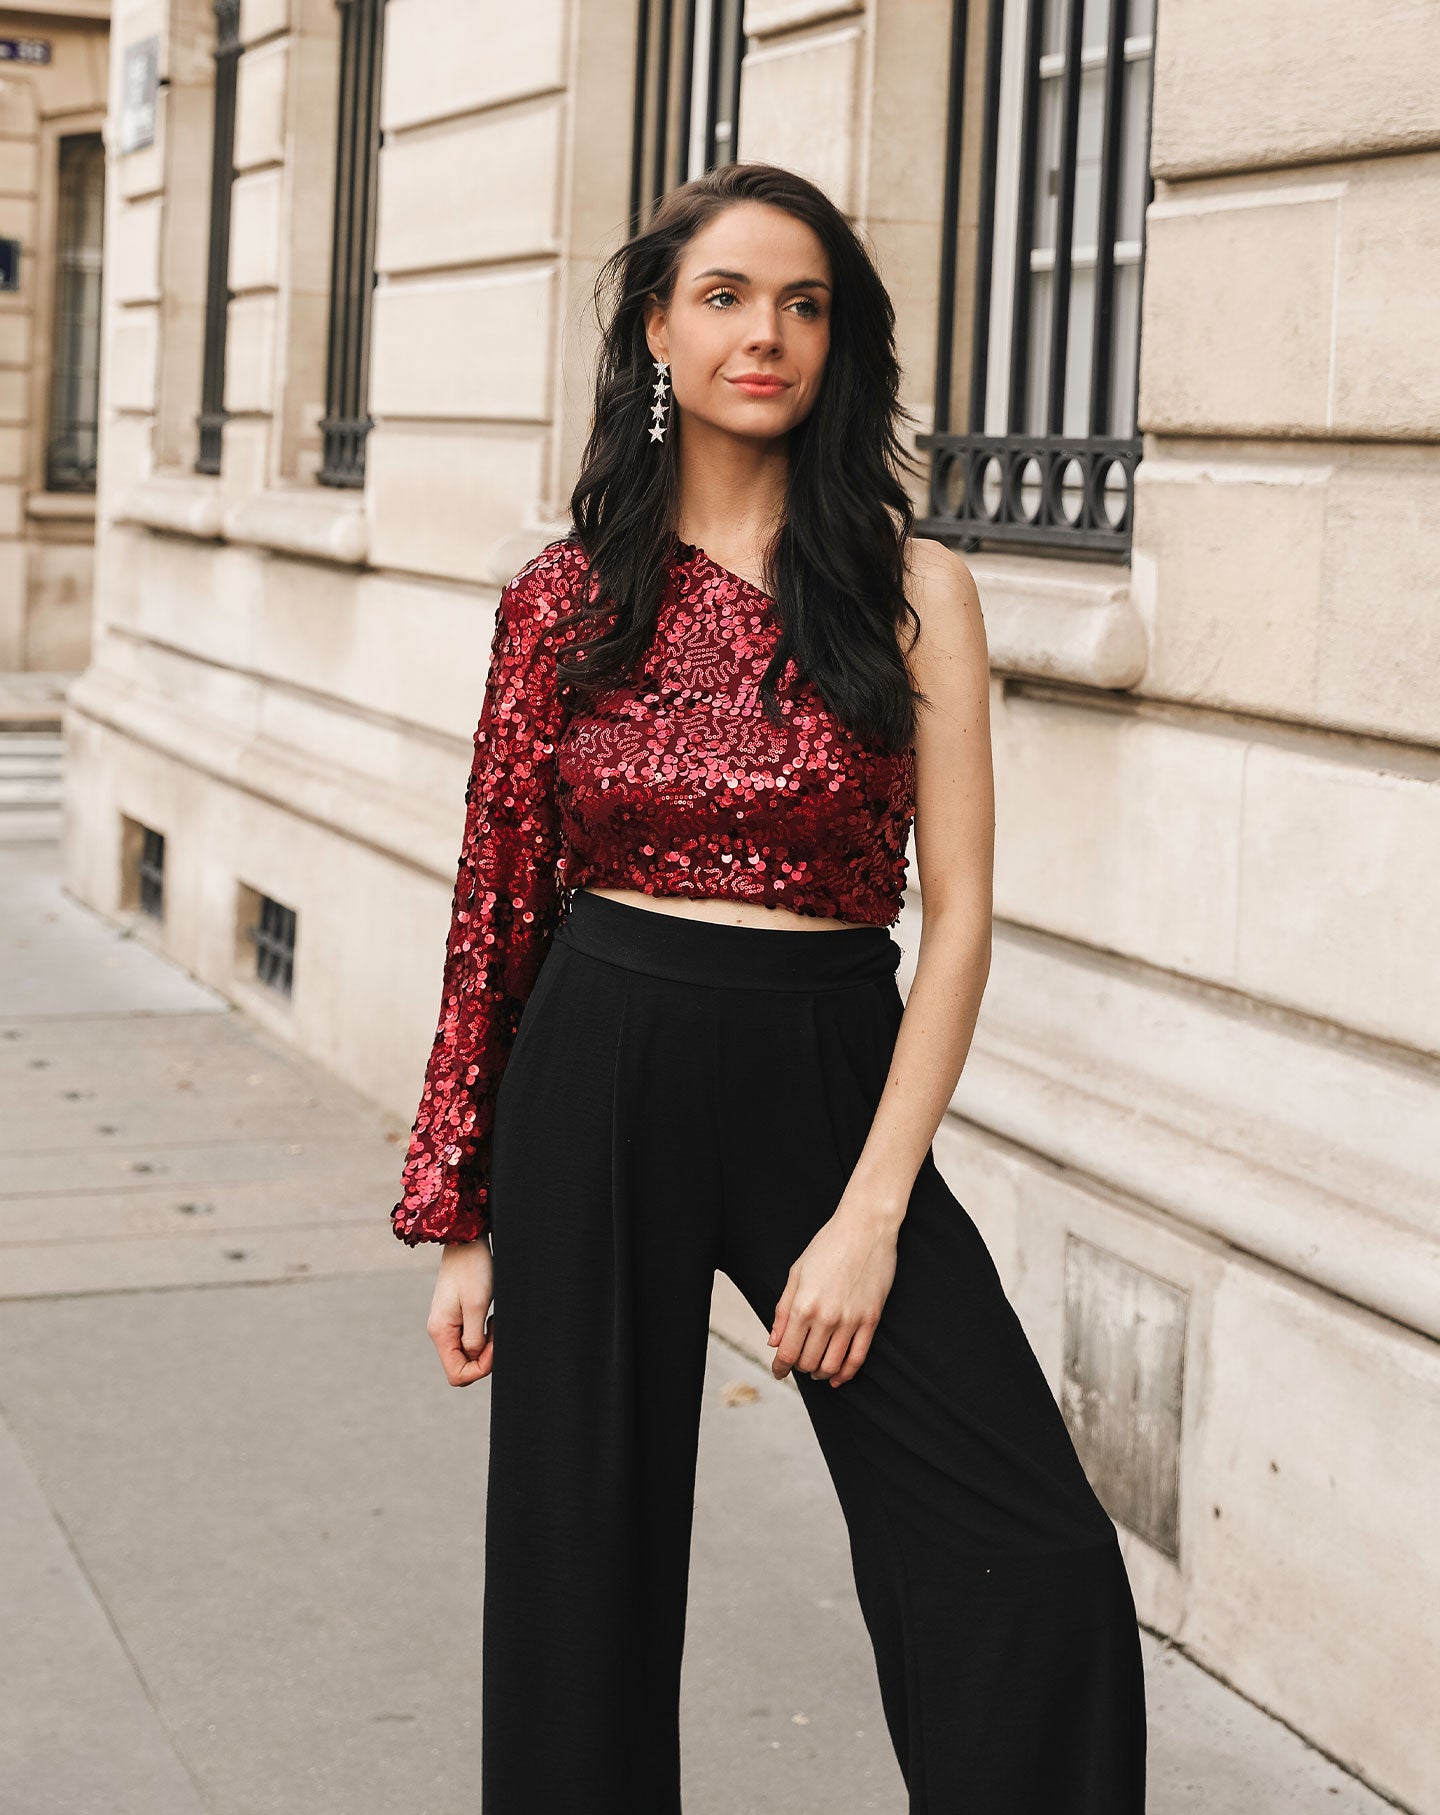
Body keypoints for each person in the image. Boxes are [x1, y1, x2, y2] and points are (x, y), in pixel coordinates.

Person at [391, 160, 1147, 1813]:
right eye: (726, 297)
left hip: (827, 1071)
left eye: (804, 304)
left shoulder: (910, 582)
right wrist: (463, 1210)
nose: (766, 335)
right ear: (658, 330)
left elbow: (957, 926)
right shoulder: (564, 598)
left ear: (839, 342)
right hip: (598, 1063)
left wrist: (873, 1214)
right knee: (581, 1571)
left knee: (1030, 1553)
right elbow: (496, 898)